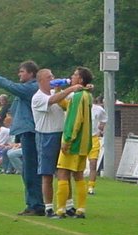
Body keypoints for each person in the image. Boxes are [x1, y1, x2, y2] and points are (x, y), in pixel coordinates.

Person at [0, 61, 44, 216]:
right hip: (25, 131)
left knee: (31, 170)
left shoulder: (30, 88)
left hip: (30, 131)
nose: (19, 74)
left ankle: (37, 204)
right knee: (28, 170)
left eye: (22, 72)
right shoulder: (30, 89)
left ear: (31, 73)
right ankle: (32, 203)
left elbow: (9, 85)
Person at [31, 68, 83, 217]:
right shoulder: (38, 97)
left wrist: (83, 87)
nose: (52, 79)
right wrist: (69, 88)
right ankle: (48, 207)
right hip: (46, 136)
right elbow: (53, 100)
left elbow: (68, 99)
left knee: (64, 172)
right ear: (41, 81)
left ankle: (68, 205)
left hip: (61, 135)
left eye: (53, 76)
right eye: (49, 77)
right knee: (47, 174)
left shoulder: (56, 93)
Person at [55, 67, 93, 219]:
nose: (72, 76)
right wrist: (59, 91)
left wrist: (68, 139)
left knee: (62, 174)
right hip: (84, 143)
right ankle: (81, 209)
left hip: (74, 143)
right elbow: (66, 106)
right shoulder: (86, 95)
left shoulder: (78, 96)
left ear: (81, 80)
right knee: (78, 176)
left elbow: (74, 120)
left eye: (75, 74)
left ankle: (61, 210)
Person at [87, 95, 108, 195]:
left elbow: (104, 119)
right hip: (81, 139)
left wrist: (100, 128)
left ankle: (91, 187)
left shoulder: (98, 109)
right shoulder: (78, 107)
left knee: (93, 163)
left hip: (93, 138)